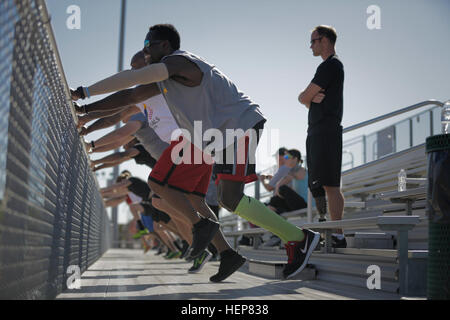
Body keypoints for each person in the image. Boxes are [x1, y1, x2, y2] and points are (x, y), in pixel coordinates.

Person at [70, 24, 320, 280]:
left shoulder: (180, 62)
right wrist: (85, 109)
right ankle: (274, 242)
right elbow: (128, 95)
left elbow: (132, 82)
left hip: (237, 125)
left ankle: (290, 237)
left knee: (168, 186)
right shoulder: (163, 82)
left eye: (148, 47)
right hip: (216, 137)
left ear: (164, 45)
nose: (145, 55)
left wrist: (84, 92)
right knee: (225, 199)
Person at [298, 25, 346, 248]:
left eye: (313, 40)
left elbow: (303, 96)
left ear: (325, 40)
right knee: (318, 184)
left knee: (331, 185)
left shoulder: (331, 65)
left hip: (326, 130)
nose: (310, 45)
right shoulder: (327, 67)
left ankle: (337, 235)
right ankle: (327, 228)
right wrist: (308, 98)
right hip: (317, 130)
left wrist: (308, 97)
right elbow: (304, 98)